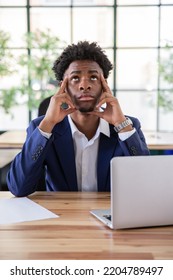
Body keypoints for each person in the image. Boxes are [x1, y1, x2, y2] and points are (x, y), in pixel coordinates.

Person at [7, 41, 150, 197]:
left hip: (111, 215)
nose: (84, 85)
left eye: (93, 77)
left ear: (104, 85)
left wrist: (121, 126)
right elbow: (18, 188)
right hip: (62, 215)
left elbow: (146, 182)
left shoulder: (127, 125)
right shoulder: (43, 127)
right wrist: (48, 124)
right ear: (63, 87)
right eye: (75, 78)